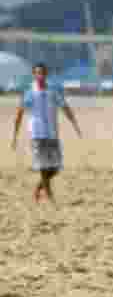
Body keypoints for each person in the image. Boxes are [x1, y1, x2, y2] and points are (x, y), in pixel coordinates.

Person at [11, 63, 83, 203]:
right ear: (34, 75)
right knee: (43, 166)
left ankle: (39, 188)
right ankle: (50, 196)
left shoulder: (53, 91)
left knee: (55, 167)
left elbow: (65, 107)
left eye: (43, 73)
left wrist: (74, 124)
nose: (40, 76)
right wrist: (15, 134)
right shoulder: (30, 92)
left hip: (52, 133)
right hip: (37, 133)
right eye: (38, 73)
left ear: (46, 74)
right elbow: (20, 112)